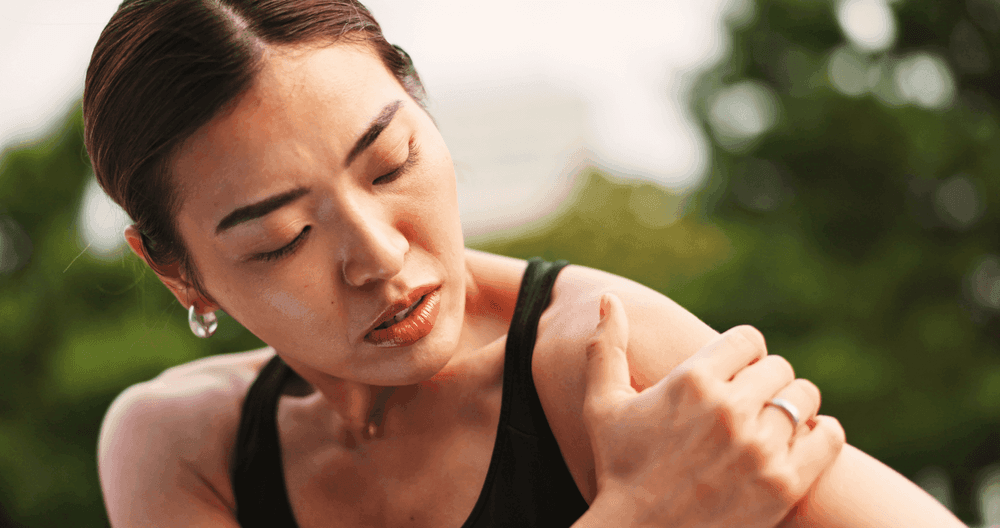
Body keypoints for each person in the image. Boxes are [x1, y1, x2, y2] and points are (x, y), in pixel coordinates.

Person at [87, 1, 966, 527]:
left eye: (390, 163)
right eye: (280, 238)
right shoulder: (179, 446)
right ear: (179, 272)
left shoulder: (603, 359)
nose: (381, 256)